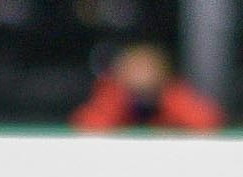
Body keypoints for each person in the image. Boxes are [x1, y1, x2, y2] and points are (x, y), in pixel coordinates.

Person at [70, 43, 224, 132]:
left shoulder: (173, 95)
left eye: (146, 68)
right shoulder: (112, 95)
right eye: (134, 68)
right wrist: (121, 97)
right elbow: (87, 124)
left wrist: (163, 96)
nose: (141, 75)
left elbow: (207, 121)